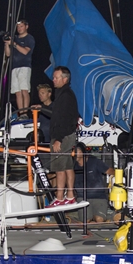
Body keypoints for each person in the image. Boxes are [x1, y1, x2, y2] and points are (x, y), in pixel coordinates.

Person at [46, 66, 80, 208]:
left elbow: (64, 119)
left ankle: (59, 198)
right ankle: (70, 196)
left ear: (65, 79)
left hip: (63, 135)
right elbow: (57, 113)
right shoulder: (62, 94)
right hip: (67, 134)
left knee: (59, 167)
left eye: (56, 77)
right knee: (66, 166)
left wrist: (58, 138)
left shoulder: (65, 95)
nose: (53, 80)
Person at [74, 142, 114, 222]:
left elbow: (111, 171)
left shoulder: (95, 162)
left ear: (82, 152)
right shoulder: (72, 165)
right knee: (86, 221)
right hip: (82, 198)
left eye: (76, 151)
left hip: (99, 197)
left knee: (99, 219)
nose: (74, 153)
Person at [4, 19, 35, 117]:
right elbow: (8, 54)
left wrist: (13, 43)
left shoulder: (29, 38)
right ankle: (21, 112)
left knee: (24, 90)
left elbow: (25, 51)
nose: (19, 28)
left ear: (26, 27)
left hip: (24, 66)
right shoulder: (15, 38)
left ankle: (25, 112)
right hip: (14, 68)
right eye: (18, 27)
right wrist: (6, 43)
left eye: (21, 26)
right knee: (17, 92)